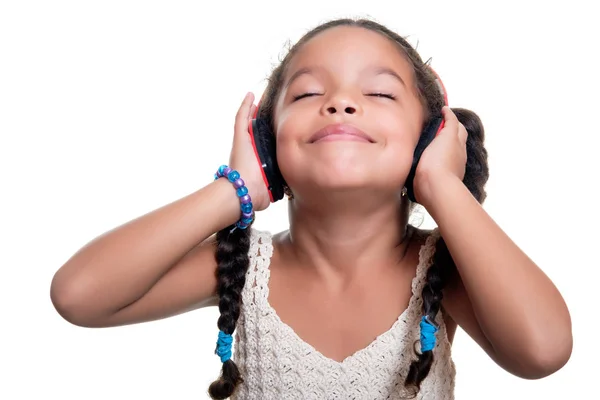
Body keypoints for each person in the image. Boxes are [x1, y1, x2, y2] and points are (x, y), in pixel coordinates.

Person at [50, 18, 572, 400]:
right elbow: (78, 295)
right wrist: (236, 190)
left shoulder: (443, 268)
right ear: (265, 140)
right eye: (307, 93)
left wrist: (441, 183)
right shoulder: (243, 268)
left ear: (430, 133)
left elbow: (543, 350)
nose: (341, 103)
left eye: (380, 93)